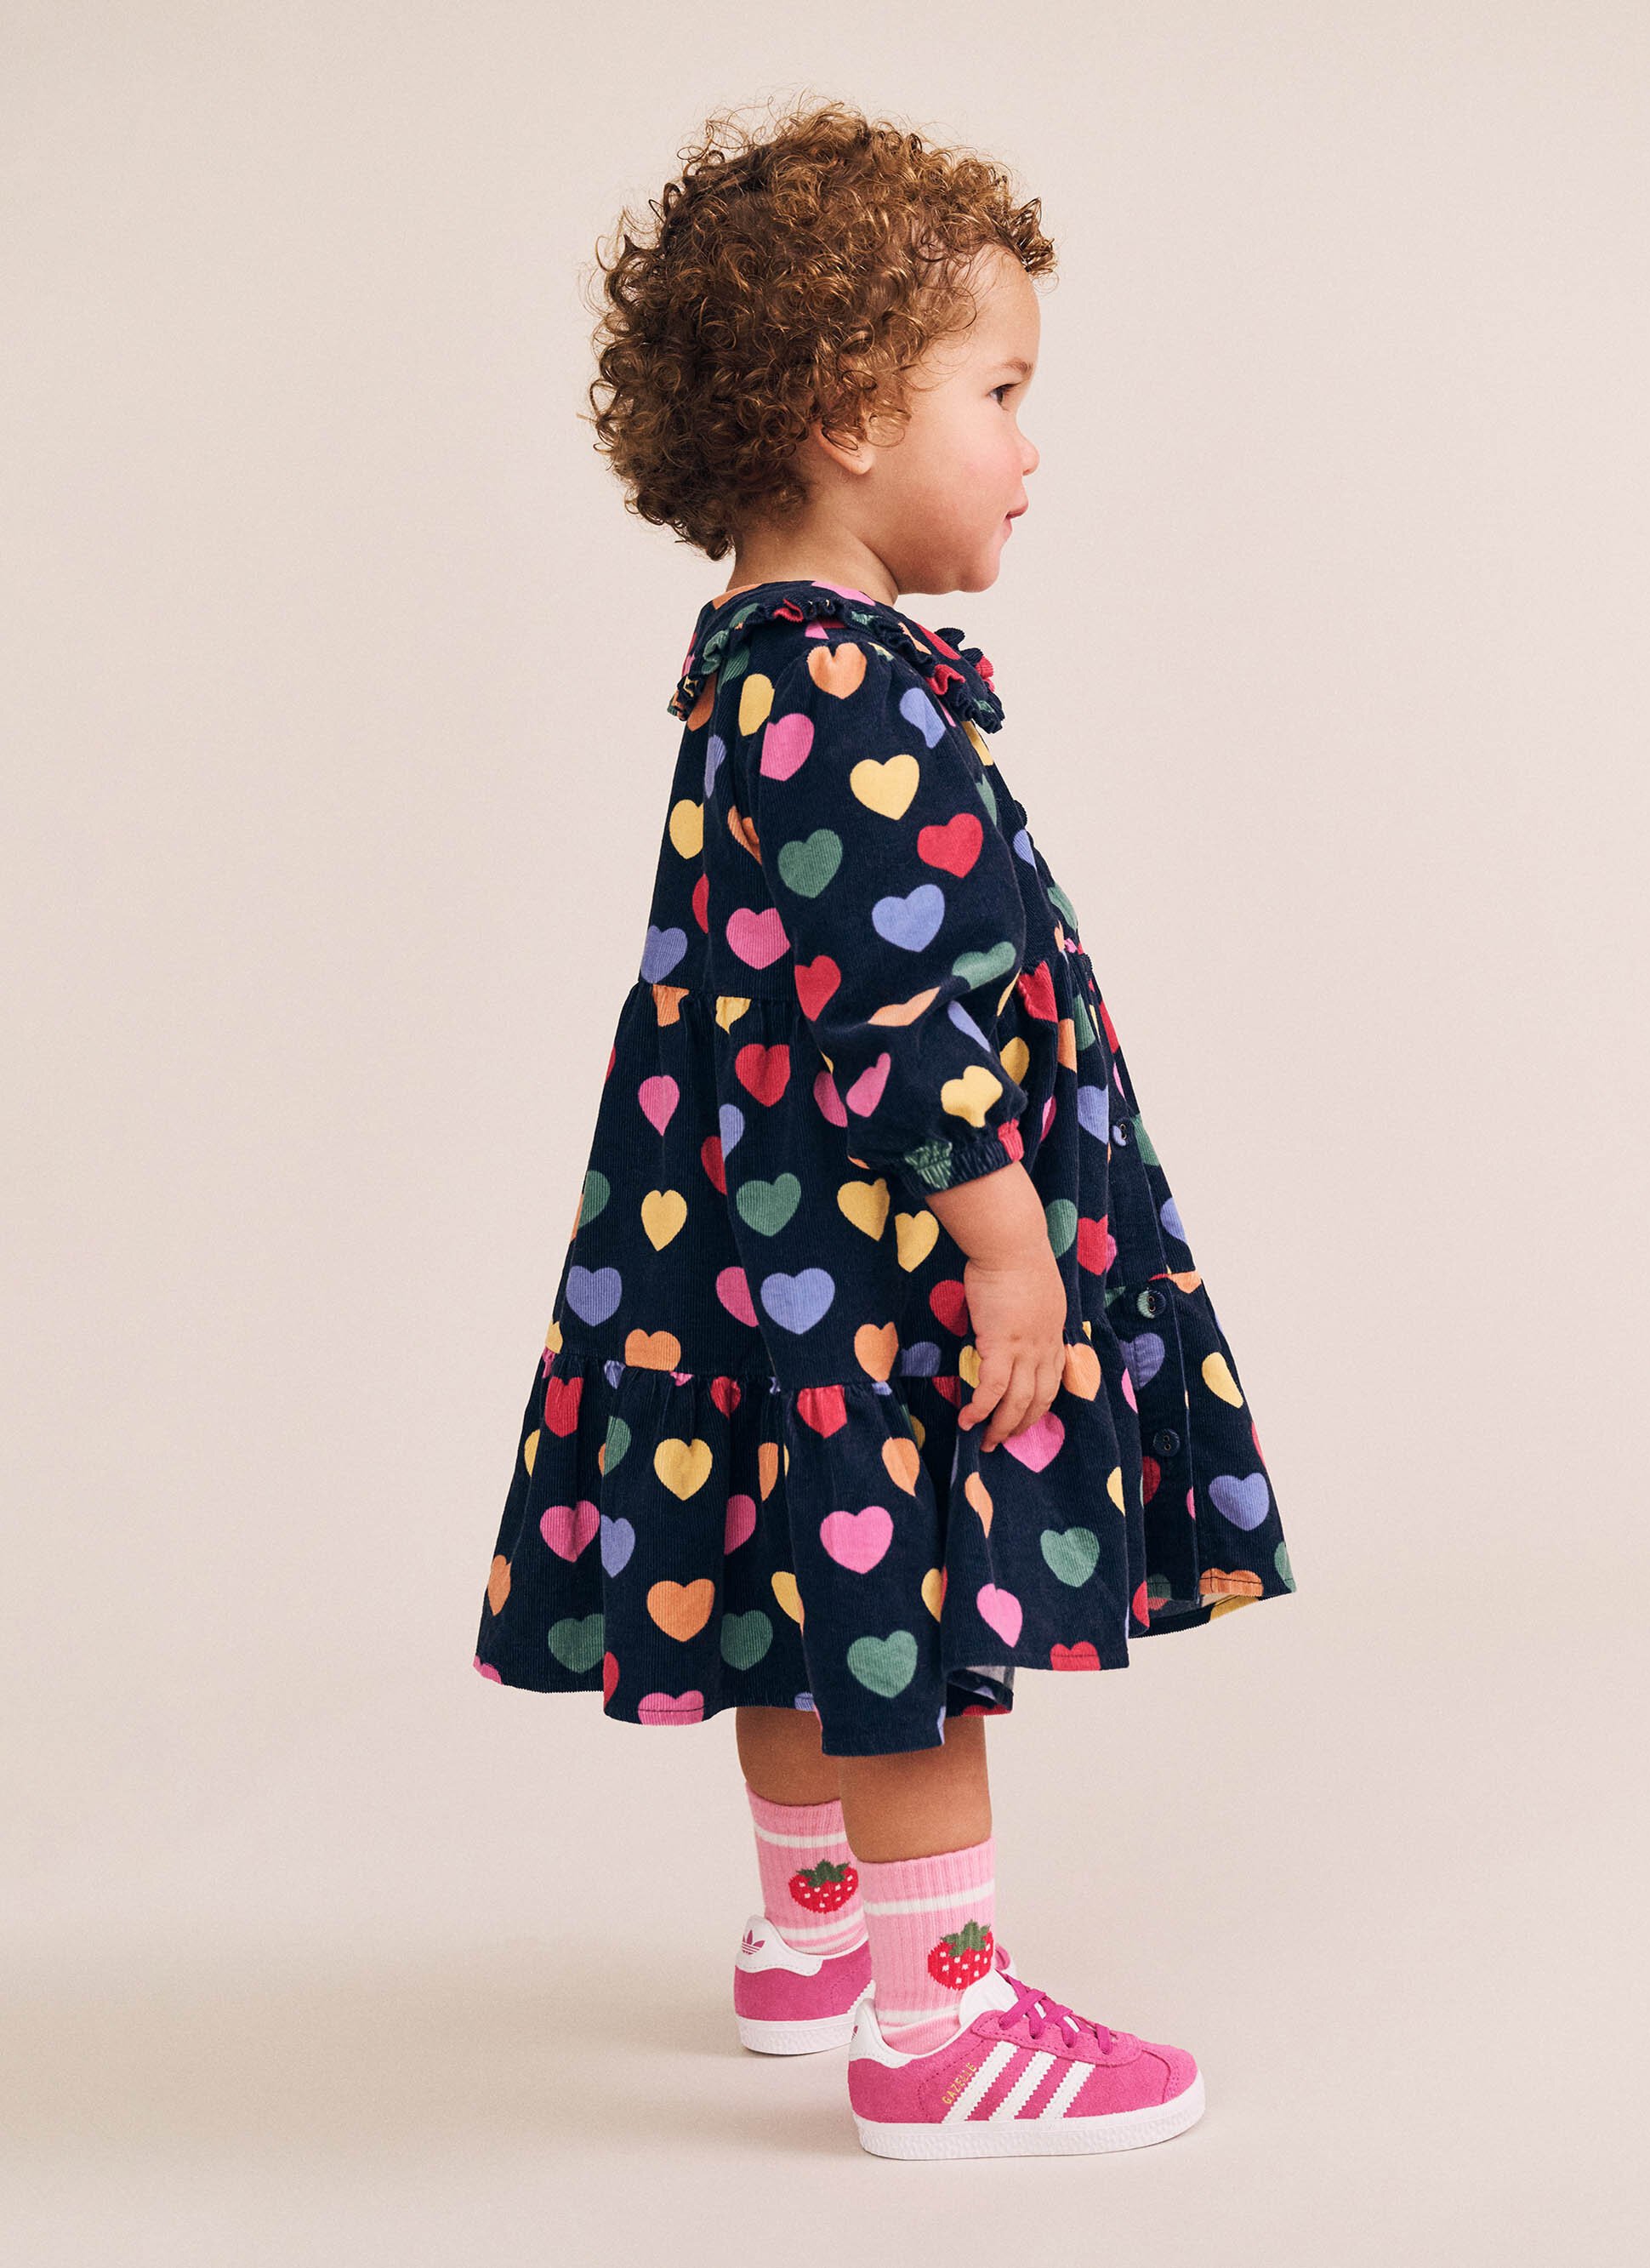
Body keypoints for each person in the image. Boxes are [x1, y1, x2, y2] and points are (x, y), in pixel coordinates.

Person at [472, 95, 1296, 2160]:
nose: (1031, 445)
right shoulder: (842, 689)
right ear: (848, 412)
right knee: (905, 1599)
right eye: (998, 393)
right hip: (876, 1244)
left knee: (795, 1552)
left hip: (754, 1245)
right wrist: (1007, 1237)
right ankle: (941, 2023)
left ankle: (809, 1932)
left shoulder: (758, 667)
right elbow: (897, 1008)